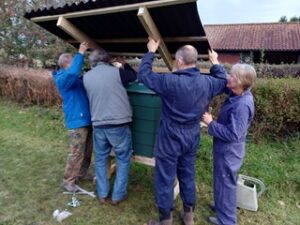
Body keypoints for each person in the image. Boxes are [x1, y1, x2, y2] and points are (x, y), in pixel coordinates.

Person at [138, 38, 228, 225]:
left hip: (170, 136)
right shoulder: (208, 83)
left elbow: (144, 75)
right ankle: (188, 216)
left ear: (179, 61)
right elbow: (224, 81)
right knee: (187, 173)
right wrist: (216, 62)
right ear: (195, 61)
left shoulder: (169, 81)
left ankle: (165, 220)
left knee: (165, 176)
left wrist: (150, 52)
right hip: (192, 134)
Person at [202, 64, 257, 225]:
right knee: (222, 181)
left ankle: (226, 220)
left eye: (232, 76)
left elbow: (233, 134)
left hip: (229, 152)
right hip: (224, 149)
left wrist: (211, 123)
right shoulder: (237, 93)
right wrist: (215, 63)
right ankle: (221, 206)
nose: (228, 77)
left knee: (226, 184)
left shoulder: (242, 105)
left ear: (240, 82)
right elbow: (223, 76)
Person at [83, 49, 137, 205]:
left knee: (100, 159)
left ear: (92, 62)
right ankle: (118, 196)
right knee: (123, 159)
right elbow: (134, 77)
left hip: (98, 124)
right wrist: (124, 63)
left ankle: (102, 194)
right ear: (108, 60)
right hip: (119, 124)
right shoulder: (117, 73)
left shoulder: (86, 77)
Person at [52, 42, 93, 192]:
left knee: (87, 151)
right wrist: (81, 52)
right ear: (66, 64)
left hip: (87, 119)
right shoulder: (62, 79)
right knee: (76, 152)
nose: (76, 64)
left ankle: (81, 174)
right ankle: (68, 181)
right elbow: (74, 71)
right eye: (73, 61)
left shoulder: (74, 78)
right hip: (76, 122)